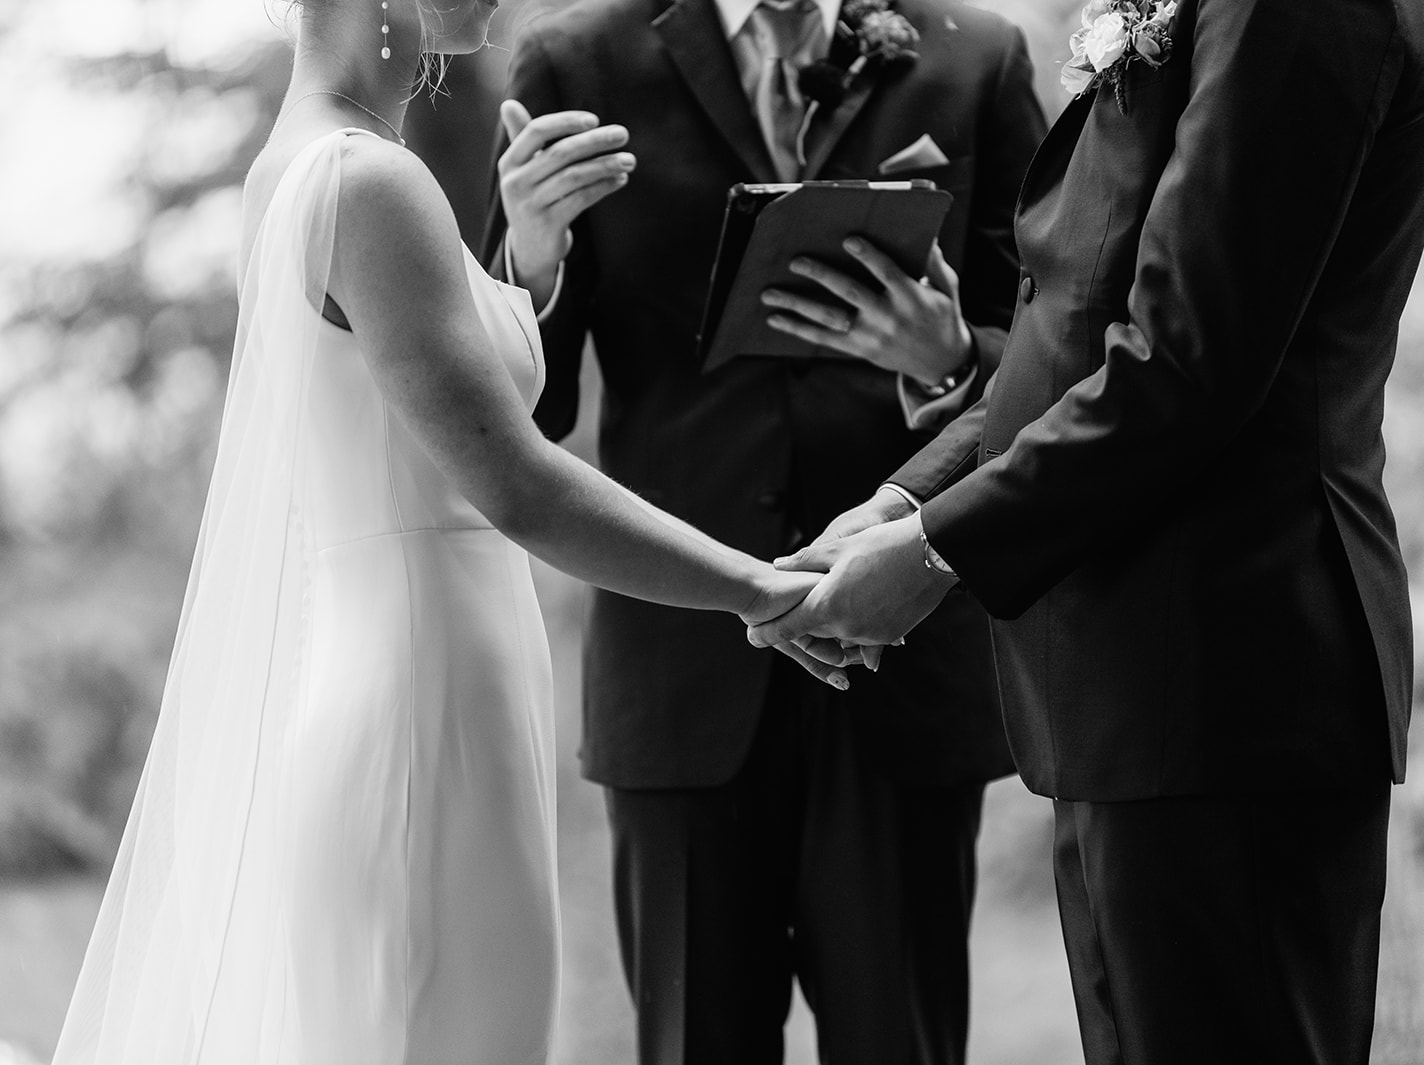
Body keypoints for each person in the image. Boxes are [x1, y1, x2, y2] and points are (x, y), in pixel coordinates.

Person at [48, 0, 858, 1060]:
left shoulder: (311, 167)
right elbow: (515, 484)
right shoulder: (367, 182)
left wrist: (526, 259)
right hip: (421, 704)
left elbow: (425, 406)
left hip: (432, 671)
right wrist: (762, 591)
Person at [750, 0, 1424, 1062]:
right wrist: (906, 503)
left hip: (1227, 677)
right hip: (1133, 685)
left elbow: (1184, 359)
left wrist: (942, 553)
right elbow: (1077, 320)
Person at [480, 1, 1045, 1062]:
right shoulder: (578, 58)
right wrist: (534, 263)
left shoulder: (977, 57)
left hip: (900, 655)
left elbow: (1055, 344)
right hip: (681, 666)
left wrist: (951, 353)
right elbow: (521, 416)